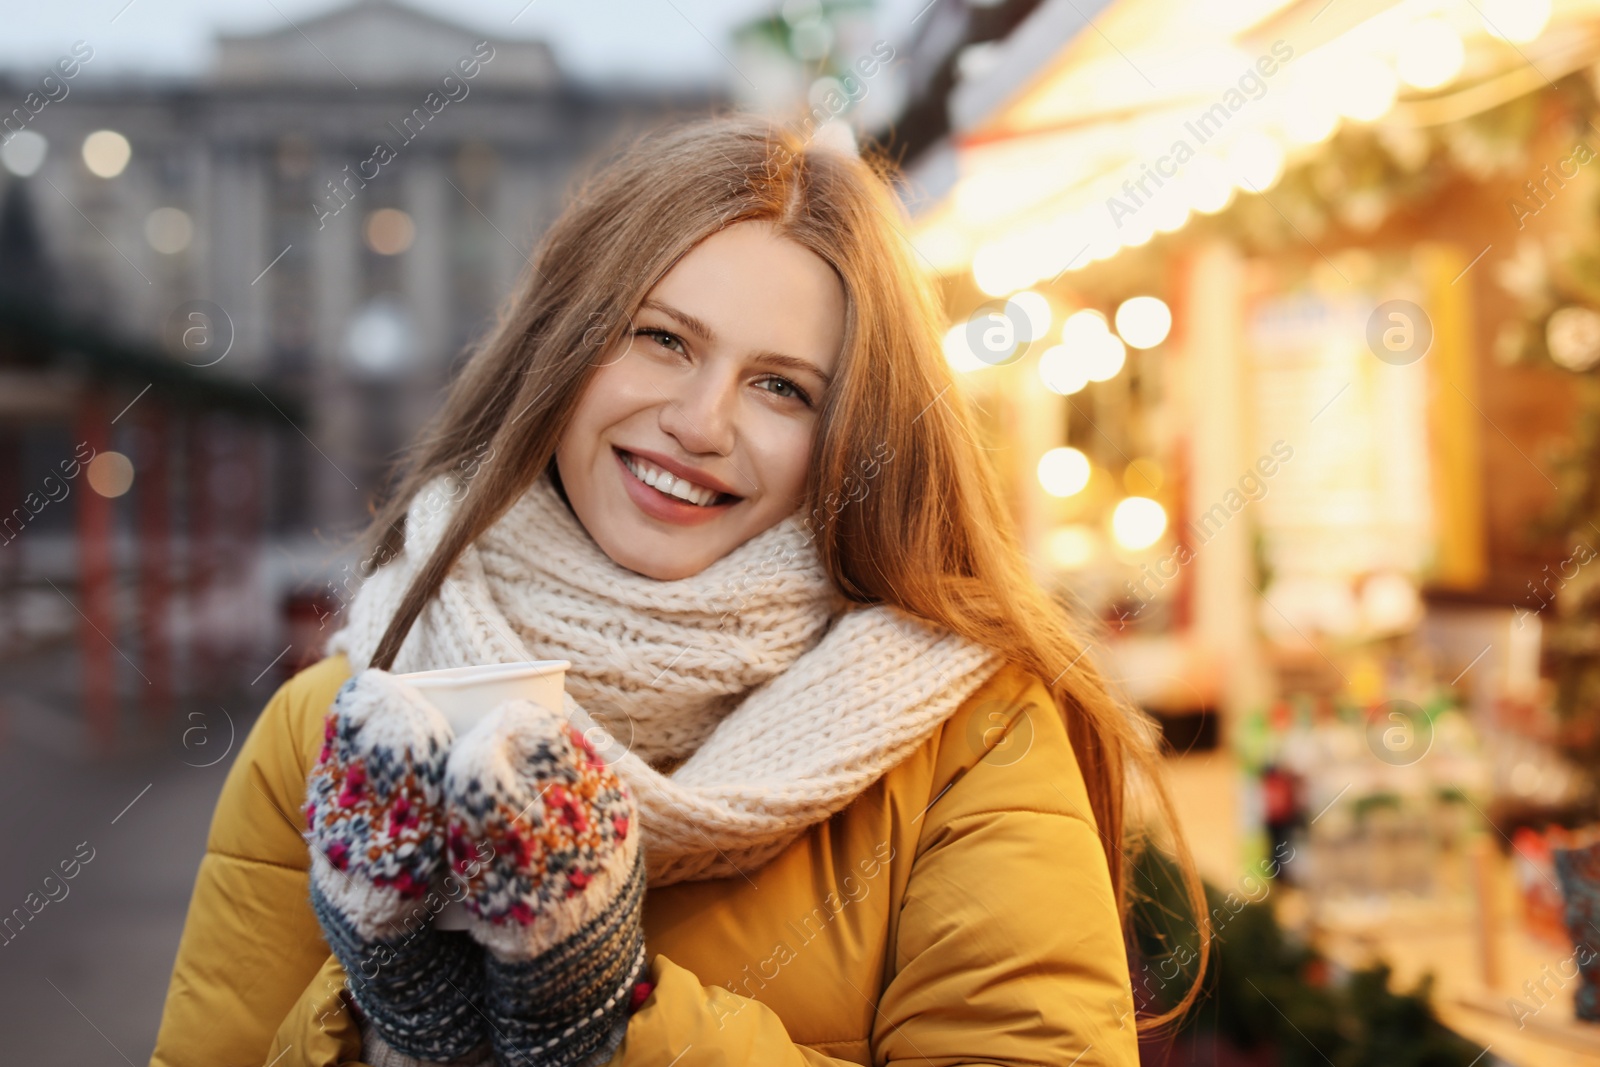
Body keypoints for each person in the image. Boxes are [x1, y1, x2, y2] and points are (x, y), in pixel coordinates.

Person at [151, 115, 1207, 1067]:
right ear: (560, 353)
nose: (701, 422)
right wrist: (385, 1002)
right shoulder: (331, 730)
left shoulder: (972, 733)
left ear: (847, 441)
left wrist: (613, 1007)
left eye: (781, 387)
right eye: (661, 339)